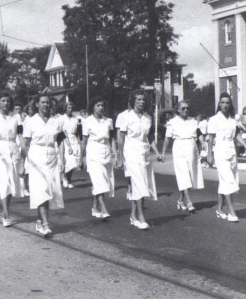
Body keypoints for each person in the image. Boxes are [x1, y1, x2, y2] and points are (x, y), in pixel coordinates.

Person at [21, 95, 67, 237]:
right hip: (36, 157)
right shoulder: (31, 122)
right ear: (37, 104)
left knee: (49, 191)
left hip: (52, 158)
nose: (45, 105)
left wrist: (62, 160)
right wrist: (25, 162)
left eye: (48, 103)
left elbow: (60, 142)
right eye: (42, 102)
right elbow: (24, 144)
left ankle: (40, 221)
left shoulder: (56, 121)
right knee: (40, 189)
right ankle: (46, 224)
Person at [116, 89, 158, 230]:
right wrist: (120, 157)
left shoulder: (148, 118)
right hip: (131, 153)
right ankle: (141, 217)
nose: (141, 102)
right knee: (140, 183)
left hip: (145, 153)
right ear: (133, 100)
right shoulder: (126, 117)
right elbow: (121, 139)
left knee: (140, 184)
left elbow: (149, 138)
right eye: (138, 99)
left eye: (143, 99)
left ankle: (133, 216)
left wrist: (156, 152)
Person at [160, 100, 204, 214]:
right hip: (179, 147)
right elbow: (167, 138)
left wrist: (203, 144)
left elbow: (199, 134)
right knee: (183, 173)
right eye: (183, 108)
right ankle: (189, 201)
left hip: (192, 147)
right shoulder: (172, 122)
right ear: (178, 110)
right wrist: (163, 153)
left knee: (190, 175)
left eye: (187, 108)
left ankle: (180, 200)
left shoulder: (193, 121)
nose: (186, 110)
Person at [0, 93, 23, 226]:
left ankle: (5, 209)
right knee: (3, 181)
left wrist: (23, 155)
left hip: (13, 150)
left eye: (8, 101)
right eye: (3, 101)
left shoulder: (16, 117)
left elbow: (20, 135)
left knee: (12, 182)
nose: (6, 103)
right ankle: (6, 214)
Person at [80, 96, 116, 220]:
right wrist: (81, 158)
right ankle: (104, 208)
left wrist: (114, 153)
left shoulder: (108, 121)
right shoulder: (87, 121)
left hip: (105, 151)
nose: (101, 108)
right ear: (93, 107)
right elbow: (84, 141)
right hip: (93, 152)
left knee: (103, 181)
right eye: (98, 105)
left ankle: (95, 207)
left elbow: (111, 139)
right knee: (98, 180)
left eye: (102, 105)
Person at [207, 93, 240, 222]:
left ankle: (219, 209)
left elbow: (236, 135)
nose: (225, 105)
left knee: (225, 181)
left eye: (227, 103)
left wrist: (245, 145)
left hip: (231, 151)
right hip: (220, 151)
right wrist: (209, 154)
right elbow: (210, 138)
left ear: (230, 104)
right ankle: (232, 212)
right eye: (223, 102)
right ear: (219, 104)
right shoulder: (214, 119)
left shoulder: (233, 120)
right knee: (228, 181)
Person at [62, 101, 81, 188]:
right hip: (65, 140)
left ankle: (69, 180)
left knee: (74, 161)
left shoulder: (75, 119)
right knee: (68, 160)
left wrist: (78, 142)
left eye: (71, 108)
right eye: (68, 108)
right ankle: (65, 178)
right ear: (65, 108)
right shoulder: (62, 118)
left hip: (74, 140)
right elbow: (62, 132)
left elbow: (77, 133)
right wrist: (68, 144)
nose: (70, 110)